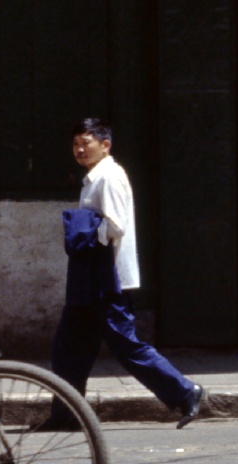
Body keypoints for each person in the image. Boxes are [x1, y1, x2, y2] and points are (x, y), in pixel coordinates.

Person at [50, 119, 206, 428]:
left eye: (86, 142)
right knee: (69, 348)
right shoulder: (94, 178)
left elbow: (116, 225)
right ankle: (66, 415)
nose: (79, 149)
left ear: (105, 145)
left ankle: (185, 391)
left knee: (126, 345)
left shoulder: (109, 176)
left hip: (107, 277)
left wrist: (84, 234)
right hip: (89, 277)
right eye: (75, 144)